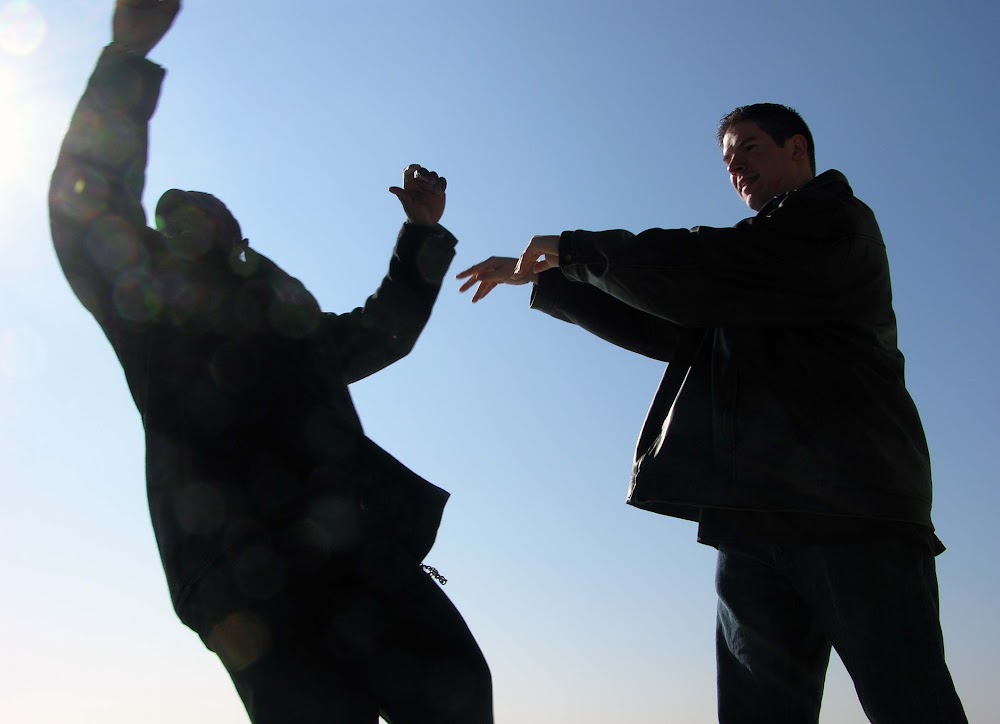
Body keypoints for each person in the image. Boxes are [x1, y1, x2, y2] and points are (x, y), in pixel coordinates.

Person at [49, 2, 492, 722]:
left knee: (457, 685)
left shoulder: (287, 326)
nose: (183, 216)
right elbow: (86, 213)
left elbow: (384, 332)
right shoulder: (147, 313)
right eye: (170, 217)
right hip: (243, 575)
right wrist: (125, 59)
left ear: (235, 232)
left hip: (350, 540)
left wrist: (420, 232)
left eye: (199, 209)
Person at [457, 103, 966, 723]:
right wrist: (551, 280)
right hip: (755, 517)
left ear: (798, 149)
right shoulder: (744, 277)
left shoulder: (833, 223)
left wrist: (578, 251)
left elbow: (715, 268)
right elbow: (672, 327)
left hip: (854, 507)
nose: (736, 167)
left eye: (749, 148)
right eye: (728, 160)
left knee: (910, 703)